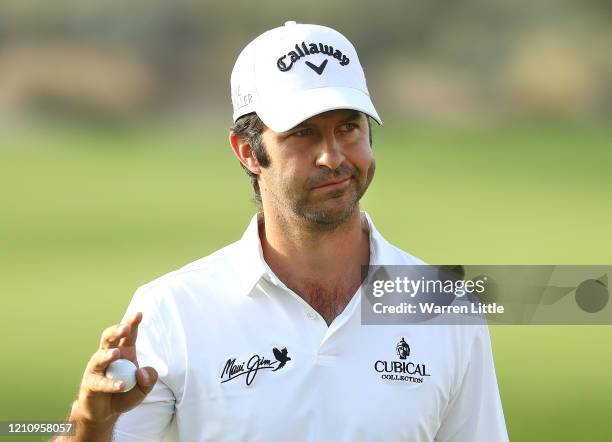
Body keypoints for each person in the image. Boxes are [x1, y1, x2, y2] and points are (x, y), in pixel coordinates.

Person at [57, 21, 509, 442]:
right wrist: (90, 424)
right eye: (303, 133)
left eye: (349, 127)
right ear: (248, 152)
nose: (333, 156)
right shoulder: (172, 311)